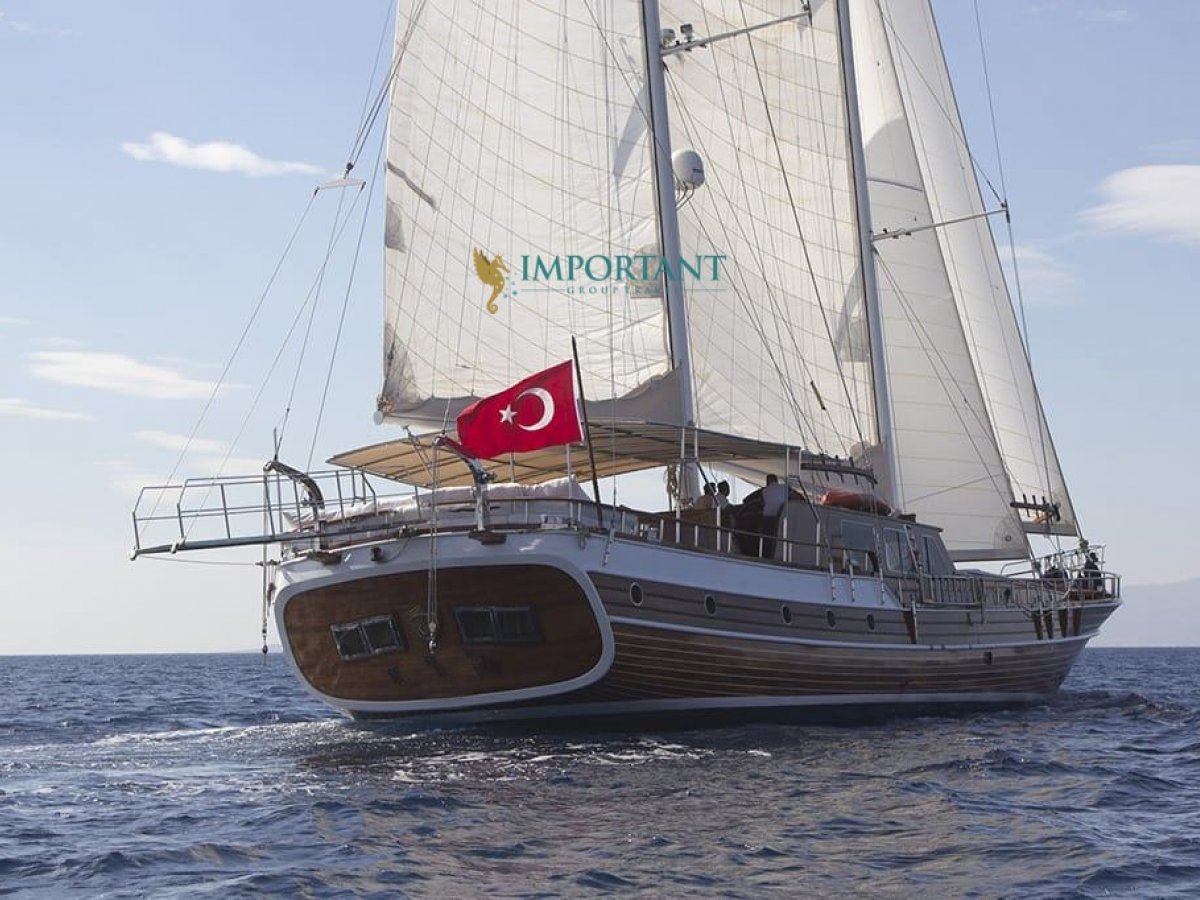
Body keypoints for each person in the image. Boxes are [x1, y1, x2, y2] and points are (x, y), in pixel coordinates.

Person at [760, 474, 788, 558]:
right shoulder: (784, 488)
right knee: (778, 537)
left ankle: (766, 555)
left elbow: (763, 502)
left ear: (768, 481)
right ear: (776, 480)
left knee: (767, 537)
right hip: (780, 516)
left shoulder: (765, 491)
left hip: (767, 516)